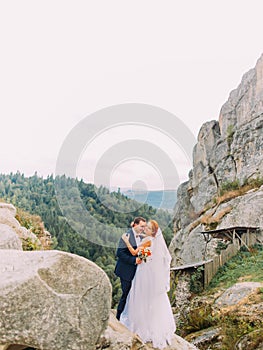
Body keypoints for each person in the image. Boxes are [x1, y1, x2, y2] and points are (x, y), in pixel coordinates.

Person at [120, 220, 176, 349]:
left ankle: (141, 324)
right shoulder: (152, 240)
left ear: (152, 232)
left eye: (148, 228)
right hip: (150, 271)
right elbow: (147, 255)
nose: (145, 229)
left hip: (143, 271)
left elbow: (135, 254)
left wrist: (126, 240)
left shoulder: (147, 241)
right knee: (151, 298)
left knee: (140, 296)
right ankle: (151, 324)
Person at [114, 216, 146, 320]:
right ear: (135, 225)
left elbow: (141, 253)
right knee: (126, 294)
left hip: (137, 272)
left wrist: (142, 258)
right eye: (141, 226)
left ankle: (130, 317)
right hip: (126, 271)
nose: (143, 229)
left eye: (144, 227)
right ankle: (119, 317)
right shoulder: (126, 236)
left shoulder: (142, 238)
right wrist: (134, 261)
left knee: (134, 295)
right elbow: (119, 253)